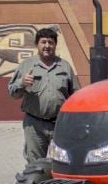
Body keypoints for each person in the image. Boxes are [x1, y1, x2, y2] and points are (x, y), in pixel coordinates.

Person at [8, 27, 80, 162]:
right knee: (35, 164)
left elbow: (76, 96)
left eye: (50, 42)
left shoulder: (64, 66)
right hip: (34, 126)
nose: (47, 46)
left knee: (61, 162)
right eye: (43, 42)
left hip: (59, 125)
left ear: (55, 45)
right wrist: (21, 83)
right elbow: (12, 93)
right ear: (37, 44)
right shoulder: (26, 65)